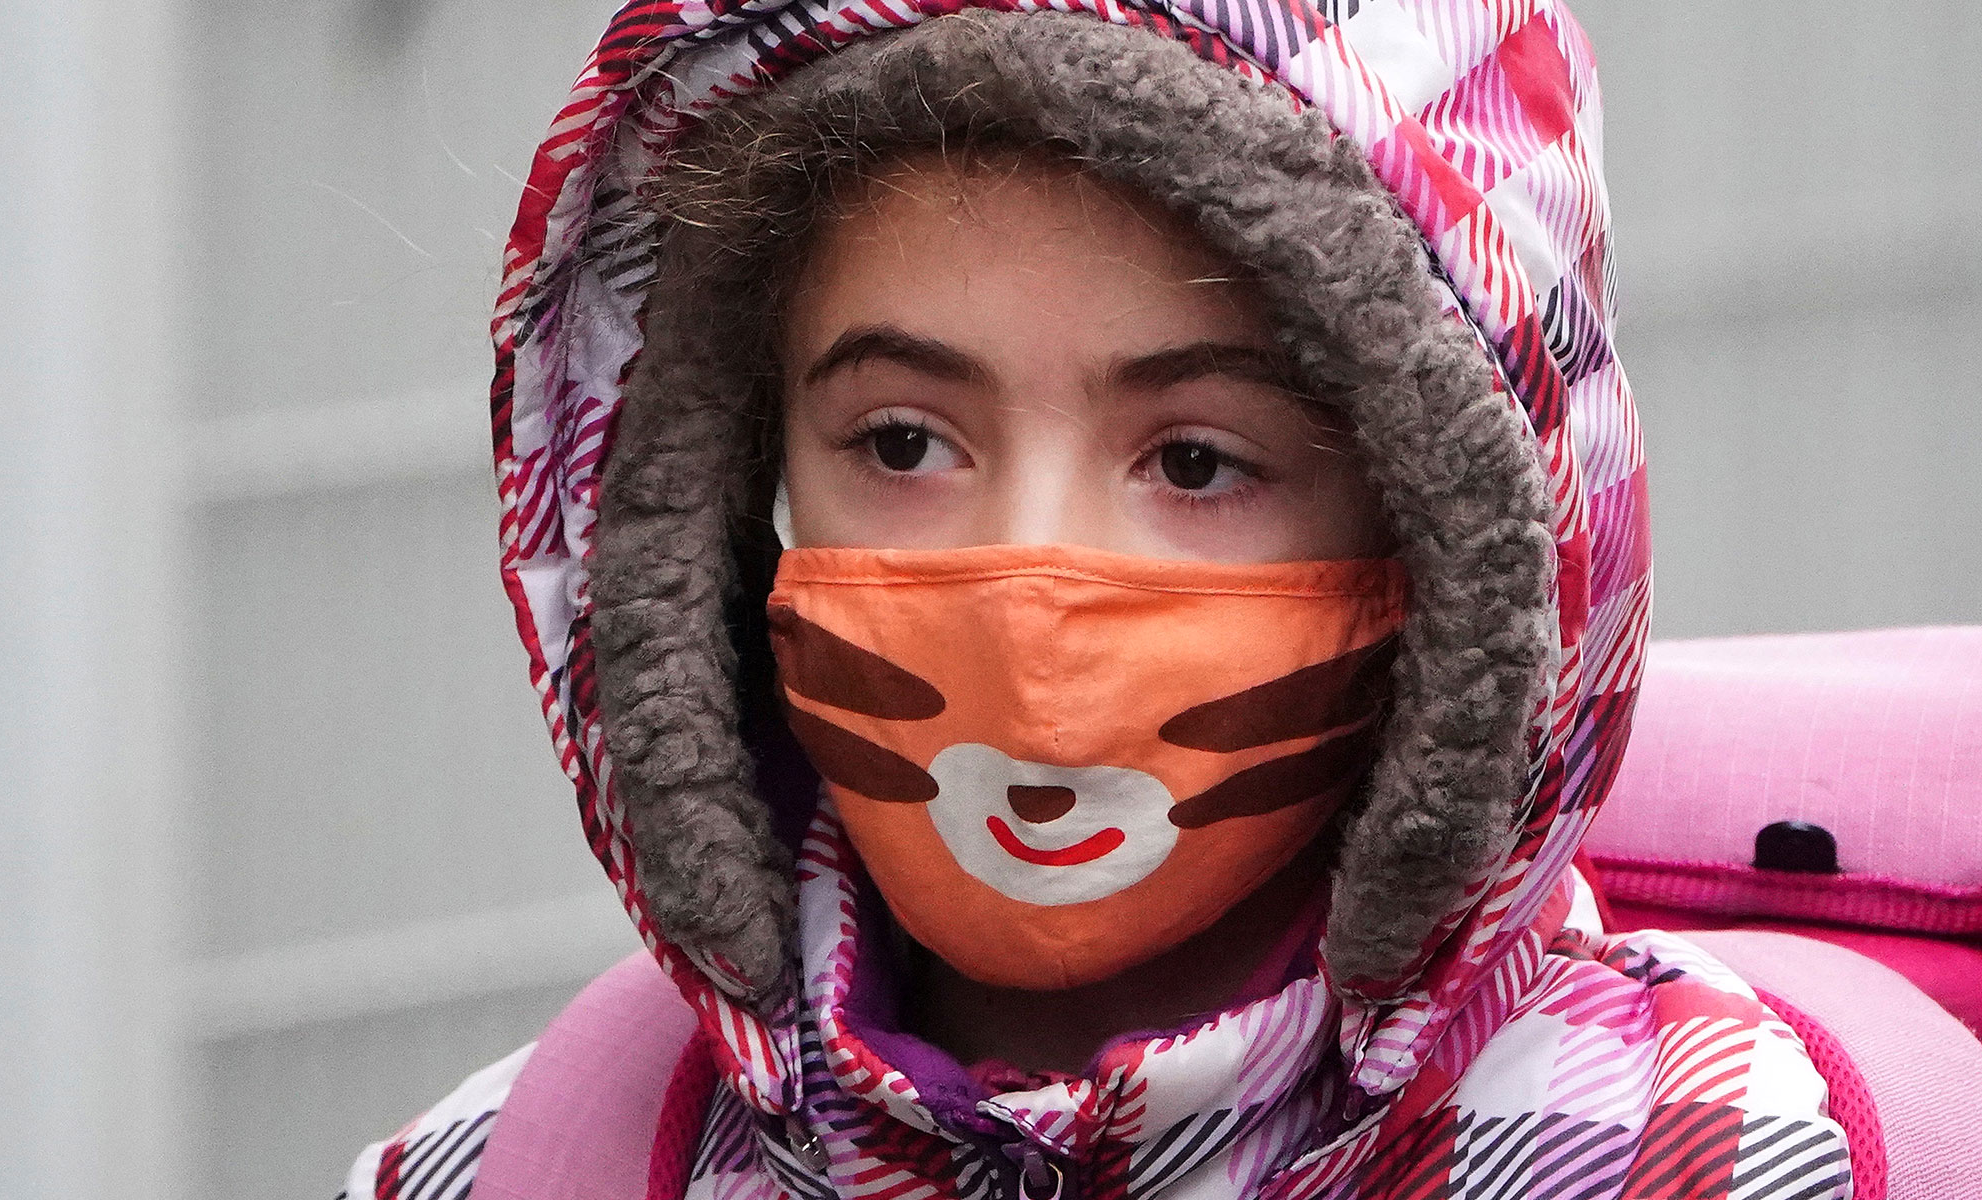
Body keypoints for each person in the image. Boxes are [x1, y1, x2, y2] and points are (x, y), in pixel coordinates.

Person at [343, 5, 1854, 1198]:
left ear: (1447, 547)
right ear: (727, 495)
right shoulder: (501, 1169)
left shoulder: (1696, 1161)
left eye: (1195, 461)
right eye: (902, 444)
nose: (1031, 598)